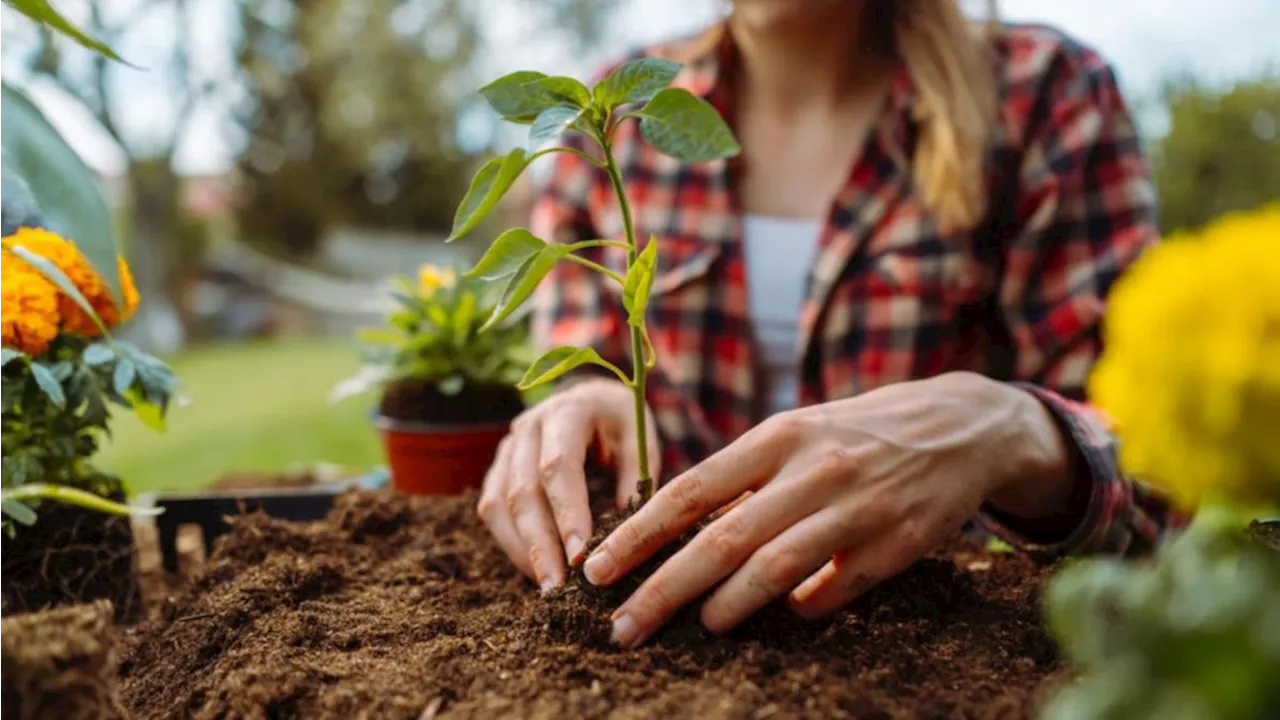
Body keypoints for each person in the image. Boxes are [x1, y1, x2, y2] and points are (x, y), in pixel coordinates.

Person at [479, 0, 1179, 650]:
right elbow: (580, 375)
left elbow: (1160, 476)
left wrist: (1010, 425)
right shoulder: (613, 124)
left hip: (925, 645)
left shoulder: (1043, 95)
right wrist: (584, 414)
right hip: (669, 638)